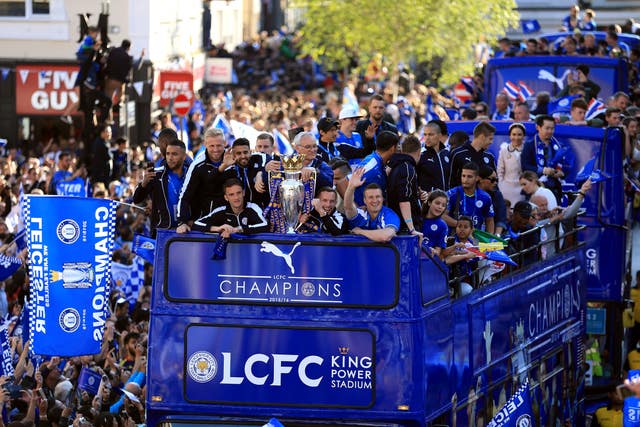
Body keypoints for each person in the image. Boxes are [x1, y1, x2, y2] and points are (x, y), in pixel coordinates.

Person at [176, 127, 231, 233]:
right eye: (212, 146)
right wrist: (182, 222)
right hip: (204, 222)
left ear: (225, 143)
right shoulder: (197, 165)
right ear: (205, 144)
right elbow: (185, 195)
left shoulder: (233, 160)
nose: (215, 149)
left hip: (230, 221)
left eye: (219, 145)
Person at [133, 139, 188, 235]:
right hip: (163, 230)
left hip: (187, 230)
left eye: (174, 154)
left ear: (184, 156)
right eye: (168, 154)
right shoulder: (156, 174)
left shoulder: (191, 174)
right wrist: (144, 183)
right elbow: (136, 199)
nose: (170, 158)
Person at [531, 178, 591, 258]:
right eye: (542, 205)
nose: (545, 207)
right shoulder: (530, 221)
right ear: (534, 206)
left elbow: (571, 212)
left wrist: (582, 193)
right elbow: (538, 225)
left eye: (546, 204)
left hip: (552, 258)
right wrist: (555, 218)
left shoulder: (551, 214)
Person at [520, 114, 573, 202]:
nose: (550, 131)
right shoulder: (529, 145)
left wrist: (562, 173)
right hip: (536, 189)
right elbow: (525, 166)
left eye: (552, 128)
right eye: (547, 128)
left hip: (555, 188)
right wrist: (543, 170)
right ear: (538, 127)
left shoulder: (559, 145)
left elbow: (566, 165)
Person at [191, 178, 269, 236]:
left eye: (238, 193)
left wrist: (238, 229)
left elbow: (265, 226)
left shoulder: (253, 208)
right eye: (231, 194)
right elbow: (196, 224)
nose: (236, 198)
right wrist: (218, 228)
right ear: (226, 197)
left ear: (243, 193)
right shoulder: (220, 211)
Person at [344, 167, 400, 243]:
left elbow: (385, 236)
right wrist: (351, 187)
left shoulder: (389, 214)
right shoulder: (362, 213)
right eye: (370, 197)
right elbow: (348, 207)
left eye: (378, 197)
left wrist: (360, 232)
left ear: (382, 198)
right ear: (364, 200)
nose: (375, 200)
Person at [444, 161, 495, 233]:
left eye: (469, 176)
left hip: (475, 239)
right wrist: (463, 226)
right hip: (455, 238)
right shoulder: (451, 194)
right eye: (463, 176)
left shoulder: (485, 197)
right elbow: (443, 216)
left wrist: (489, 240)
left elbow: (489, 220)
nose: (465, 180)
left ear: (477, 178)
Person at [387, 135, 423, 234]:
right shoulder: (407, 168)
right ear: (419, 152)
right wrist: (412, 229)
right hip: (405, 227)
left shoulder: (396, 165)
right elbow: (404, 200)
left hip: (398, 222)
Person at [353, 130, 398, 206]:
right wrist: (357, 208)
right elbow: (345, 182)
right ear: (393, 148)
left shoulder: (379, 162)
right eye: (398, 146)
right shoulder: (371, 166)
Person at [222, 138, 268, 208]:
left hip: (262, 209)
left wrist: (260, 173)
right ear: (233, 155)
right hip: (240, 212)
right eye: (239, 153)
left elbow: (273, 162)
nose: (243, 156)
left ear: (250, 152)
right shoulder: (229, 169)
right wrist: (224, 165)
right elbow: (211, 181)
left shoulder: (259, 158)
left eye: (245, 152)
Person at [449, 121, 496, 188]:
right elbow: (450, 180)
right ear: (482, 137)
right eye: (490, 139)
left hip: (484, 198)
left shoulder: (489, 156)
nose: (491, 142)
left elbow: (494, 181)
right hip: (462, 197)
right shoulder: (457, 153)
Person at [445, 216, 479, 297]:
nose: (462, 229)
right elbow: (448, 254)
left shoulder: (474, 242)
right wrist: (464, 253)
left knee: (468, 289)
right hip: (449, 277)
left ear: (471, 230)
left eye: (466, 227)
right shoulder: (450, 240)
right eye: (459, 226)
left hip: (463, 277)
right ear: (456, 228)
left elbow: (477, 252)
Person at [355, 94, 398, 158]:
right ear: (369, 108)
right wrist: (369, 140)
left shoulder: (392, 129)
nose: (378, 110)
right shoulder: (359, 126)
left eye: (381, 107)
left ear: (384, 109)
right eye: (375, 107)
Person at [497, 122, 526, 206]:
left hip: (522, 188)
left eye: (519, 134)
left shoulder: (527, 149)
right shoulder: (504, 150)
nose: (516, 137)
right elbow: (500, 170)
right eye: (513, 134)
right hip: (506, 188)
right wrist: (501, 185)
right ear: (510, 135)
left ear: (523, 136)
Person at [418, 120, 451, 192]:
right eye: (425, 134)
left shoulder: (447, 153)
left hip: (447, 199)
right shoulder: (420, 155)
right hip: (429, 200)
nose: (427, 138)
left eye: (431, 134)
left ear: (439, 136)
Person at [506, 201, 541, 267]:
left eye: (527, 217)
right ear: (515, 213)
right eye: (523, 216)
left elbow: (533, 257)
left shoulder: (531, 232)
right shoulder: (503, 229)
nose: (524, 220)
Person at [478, 167, 507, 236]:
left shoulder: (497, 195)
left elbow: (501, 218)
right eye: (492, 180)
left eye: (497, 180)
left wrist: (496, 236)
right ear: (480, 179)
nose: (495, 183)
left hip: (491, 235)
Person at [421, 190, 449, 258]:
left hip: (427, 260)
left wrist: (433, 251)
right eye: (437, 203)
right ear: (429, 202)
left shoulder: (442, 225)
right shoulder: (417, 218)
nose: (440, 207)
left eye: (443, 205)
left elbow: (438, 252)